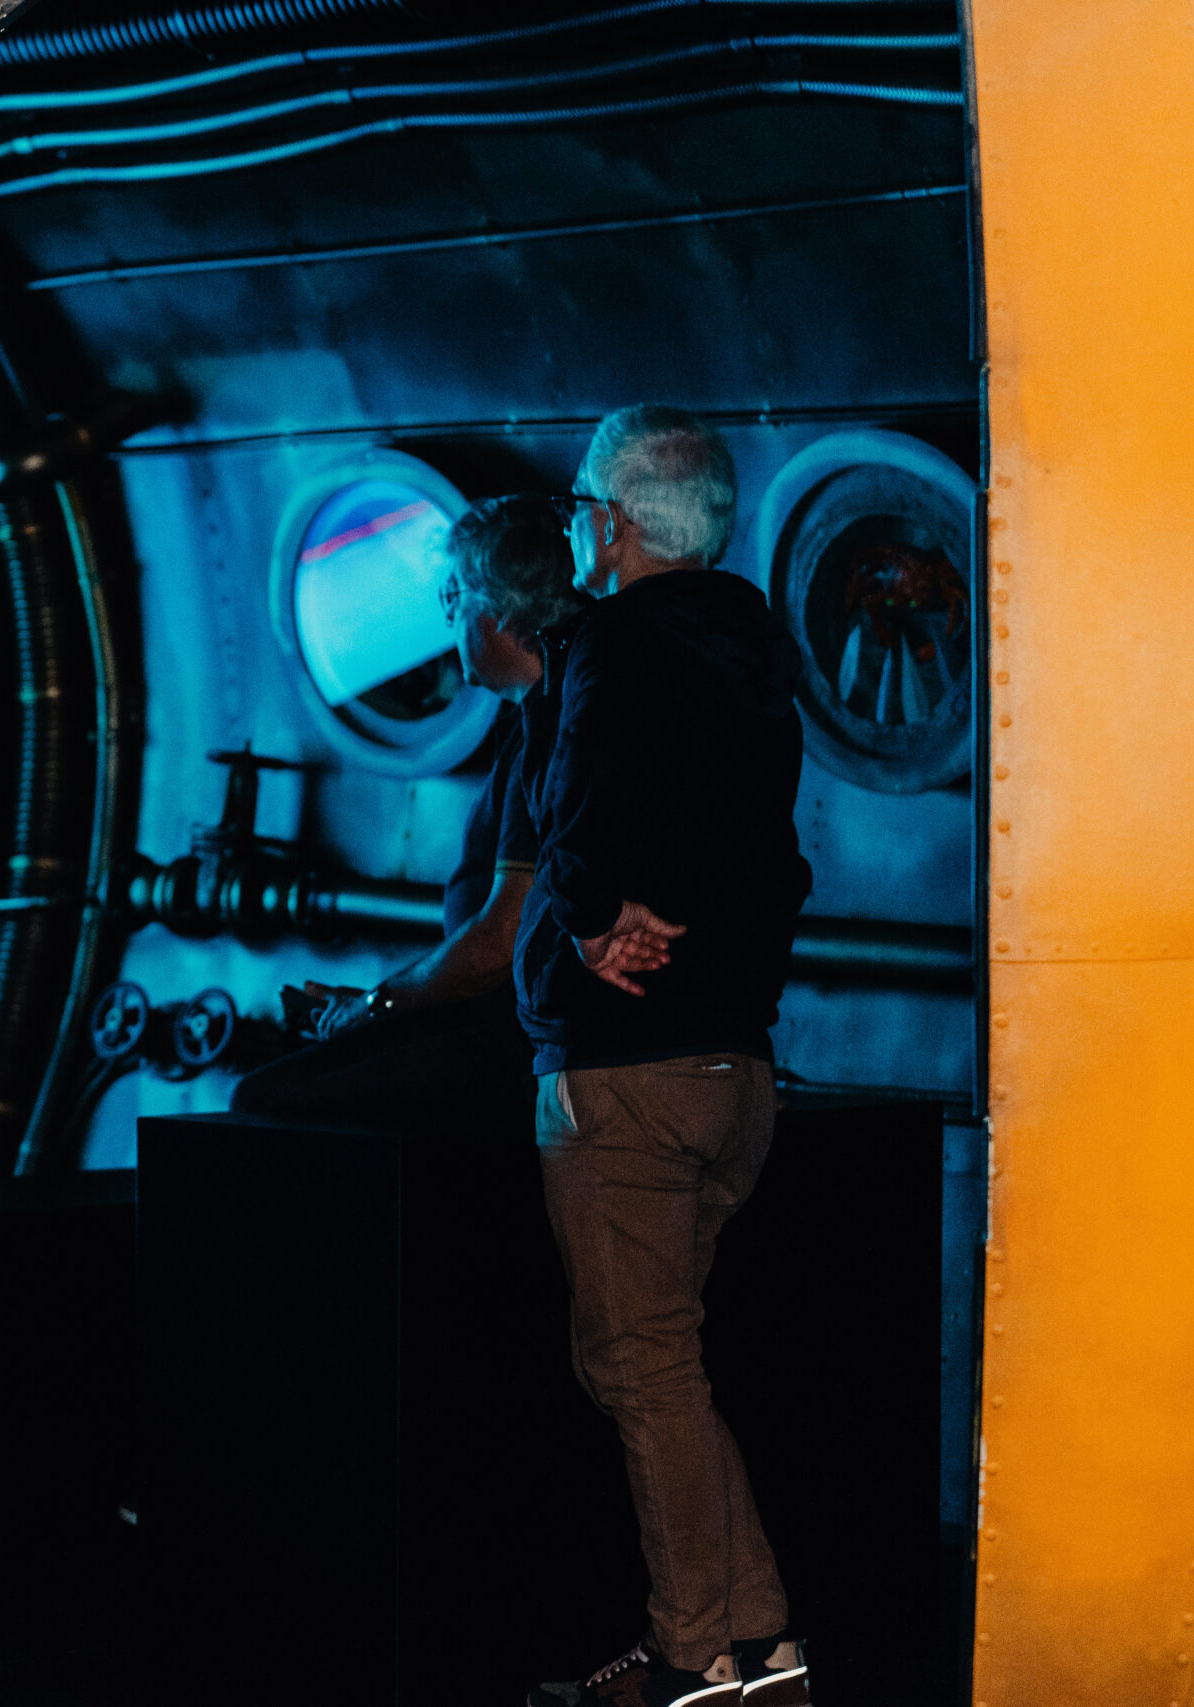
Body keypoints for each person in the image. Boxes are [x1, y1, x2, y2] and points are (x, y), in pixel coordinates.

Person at [518, 407, 814, 1707]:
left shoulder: (614, 640)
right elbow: (770, 860)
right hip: (733, 1067)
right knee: (663, 1366)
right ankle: (763, 1652)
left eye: (581, 503)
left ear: (618, 521)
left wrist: (592, 921)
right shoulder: (757, 652)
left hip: (626, 1072)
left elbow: (575, 809)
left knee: (640, 1370)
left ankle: (697, 1660)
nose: (576, 526)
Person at [230, 494, 585, 1117]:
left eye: (454, 595)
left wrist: (377, 1007)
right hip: (505, 1023)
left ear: (502, 612)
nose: (447, 615)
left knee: (260, 1102)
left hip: (517, 1041)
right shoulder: (536, 719)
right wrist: (379, 1001)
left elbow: (502, 939)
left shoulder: (551, 725)